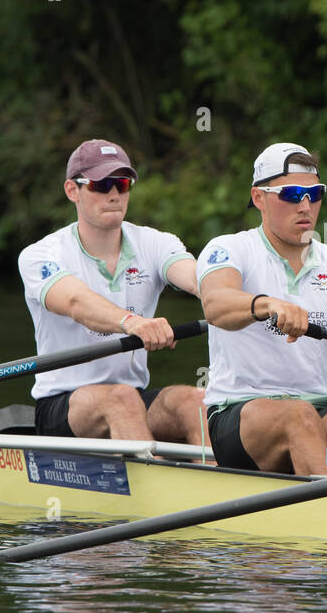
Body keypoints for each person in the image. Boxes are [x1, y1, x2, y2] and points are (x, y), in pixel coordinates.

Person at [197, 142, 327, 475]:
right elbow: (215, 304)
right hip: (238, 416)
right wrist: (265, 304)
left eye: (315, 194)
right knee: (297, 415)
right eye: (292, 194)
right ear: (259, 198)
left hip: (317, 410)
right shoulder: (229, 249)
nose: (306, 205)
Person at [17, 139, 206, 446]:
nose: (114, 194)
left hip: (132, 397)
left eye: (122, 183)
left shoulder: (155, 243)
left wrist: (247, 300)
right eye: (101, 184)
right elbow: (76, 302)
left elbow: (198, 278)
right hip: (62, 407)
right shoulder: (40, 255)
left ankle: (221, 484)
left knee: (197, 402)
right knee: (121, 399)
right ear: (72, 190)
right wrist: (132, 322)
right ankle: (156, 486)